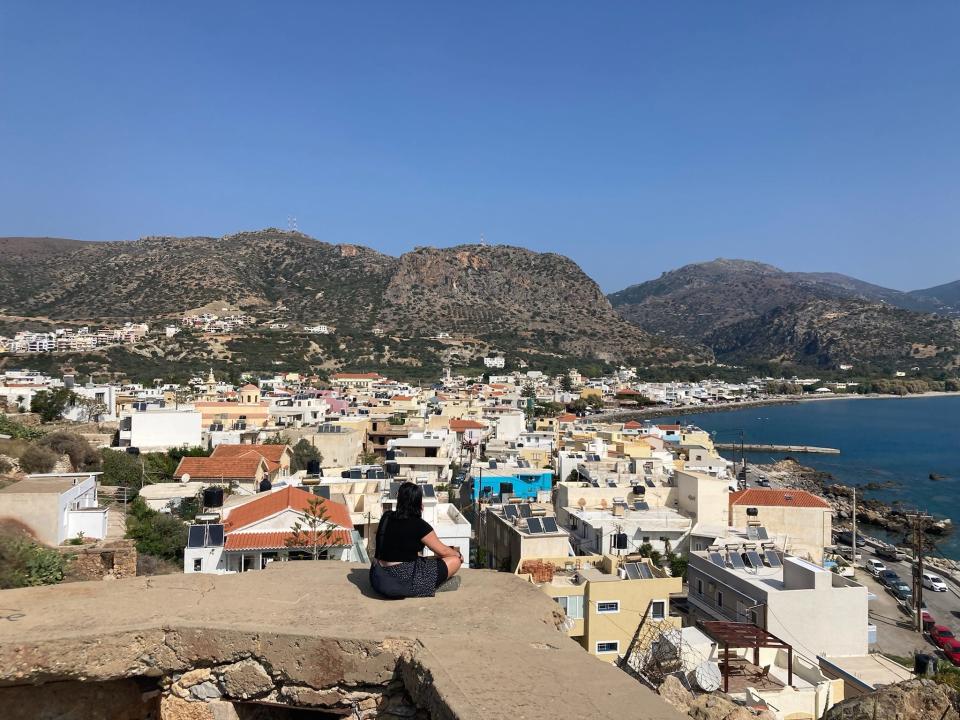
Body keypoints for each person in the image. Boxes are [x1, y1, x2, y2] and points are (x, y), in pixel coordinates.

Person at [370, 481, 462, 598]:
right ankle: (427, 587)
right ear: (418, 503)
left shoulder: (386, 516)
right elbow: (442, 551)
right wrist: (458, 555)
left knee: (425, 560)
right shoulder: (419, 525)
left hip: (378, 575)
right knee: (454, 561)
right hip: (401, 579)